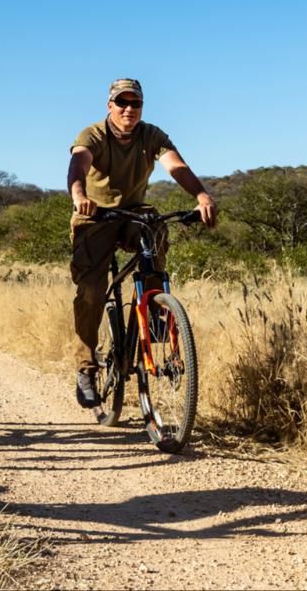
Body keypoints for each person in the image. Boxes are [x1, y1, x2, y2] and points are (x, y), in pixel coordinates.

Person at [68, 77, 216, 407]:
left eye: (135, 103)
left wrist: (202, 196)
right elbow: (78, 166)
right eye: (122, 102)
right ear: (110, 106)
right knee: (91, 291)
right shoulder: (92, 135)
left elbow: (175, 165)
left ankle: (153, 309)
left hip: (133, 213)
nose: (128, 109)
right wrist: (79, 196)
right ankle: (86, 369)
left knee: (156, 228)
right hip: (96, 215)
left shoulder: (151, 135)